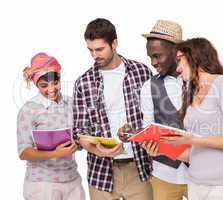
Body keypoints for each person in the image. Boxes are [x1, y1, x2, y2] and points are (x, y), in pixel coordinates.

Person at [72, 18, 153, 200]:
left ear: (114, 43)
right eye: (90, 50)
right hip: (101, 172)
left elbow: (153, 119)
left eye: (99, 49)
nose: (94, 55)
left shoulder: (142, 72)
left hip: (139, 167)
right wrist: (98, 150)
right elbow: (79, 132)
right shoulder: (83, 83)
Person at [161, 38, 223, 200]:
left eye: (180, 60)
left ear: (194, 56)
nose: (178, 68)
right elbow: (194, 153)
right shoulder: (190, 93)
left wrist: (195, 140)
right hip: (195, 186)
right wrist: (163, 147)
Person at [17, 52, 85, 200]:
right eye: (44, 85)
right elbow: (24, 152)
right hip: (42, 184)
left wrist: (79, 144)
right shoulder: (29, 109)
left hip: (72, 180)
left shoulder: (71, 103)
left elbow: (80, 133)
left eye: (55, 82)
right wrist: (56, 153)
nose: (51, 89)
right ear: (36, 84)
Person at [140, 20, 188, 200]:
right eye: (150, 57)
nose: (152, 62)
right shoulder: (148, 87)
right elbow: (148, 128)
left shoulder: (199, 81)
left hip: (200, 175)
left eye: (157, 56)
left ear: (177, 52)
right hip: (164, 175)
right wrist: (148, 144)